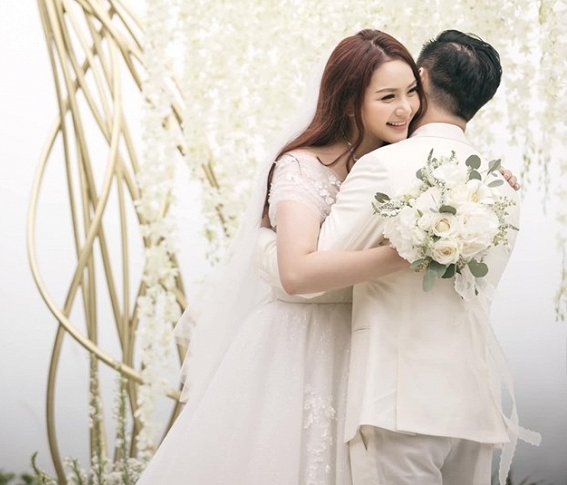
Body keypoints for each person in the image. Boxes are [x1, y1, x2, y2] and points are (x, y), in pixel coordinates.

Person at [135, 28, 424, 485]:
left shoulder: (406, 164)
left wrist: (479, 190)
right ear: (351, 102)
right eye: (387, 97)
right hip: (298, 346)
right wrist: (406, 253)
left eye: (411, 91)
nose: (405, 108)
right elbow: (296, 271)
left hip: (370, 344)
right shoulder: (303, 167)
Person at [309, 30, 540, 485]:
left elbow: (316, 273)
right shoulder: (502, 188)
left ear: (421, 77)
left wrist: (266, 247)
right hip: (474, 407)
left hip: (396, 405)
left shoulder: (382, 166)